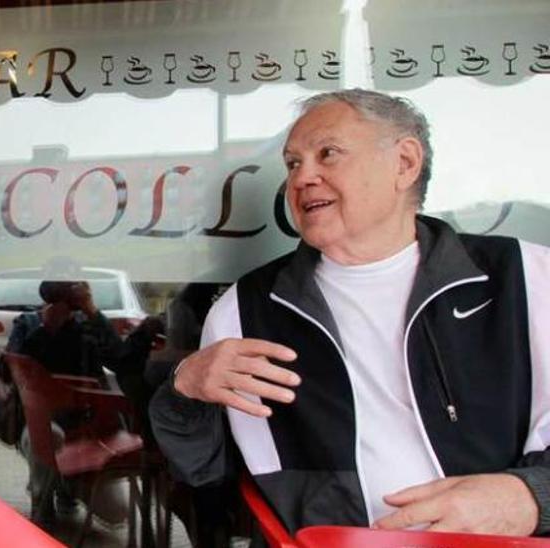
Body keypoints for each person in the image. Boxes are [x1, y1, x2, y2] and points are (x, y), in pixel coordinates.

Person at [150, 89, 550, 536]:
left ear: (405, 163)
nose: (302, 179)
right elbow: (207, 478)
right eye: (293, 163)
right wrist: (184, 390)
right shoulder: (245, 311)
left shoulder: (527, 279)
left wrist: (534, 498)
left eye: (328, 154)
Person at [6, 279, 161, 525]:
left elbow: (119, 361)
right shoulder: (28, 323)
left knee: (117, 513)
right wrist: (45, 329)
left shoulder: (86, 326)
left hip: (88, 430)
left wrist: (92, 311)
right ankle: (43, 498)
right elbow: (7, 373)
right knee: (48, 437)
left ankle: (65, 486)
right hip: (43, 426)